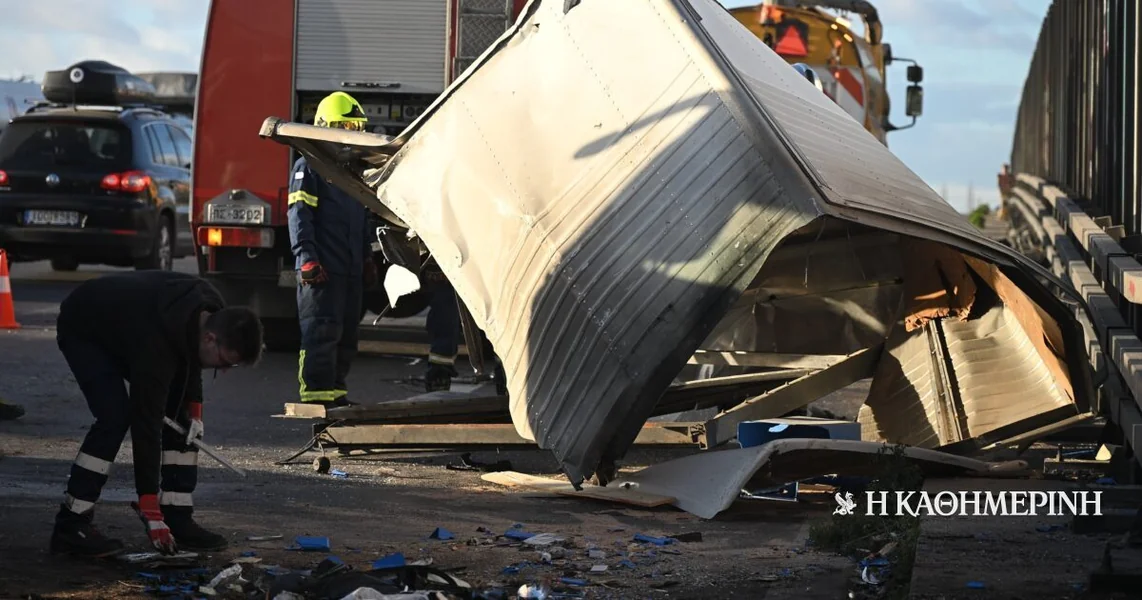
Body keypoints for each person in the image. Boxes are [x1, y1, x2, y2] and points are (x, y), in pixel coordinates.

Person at [50, 271, 263, 557]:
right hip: (86, 327)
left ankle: (177, 516)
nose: (223, 370)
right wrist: (149, 506)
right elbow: (146, 424)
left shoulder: (209, 309)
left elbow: (191, 360)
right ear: (211, 338)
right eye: (225, 362)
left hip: (133, 325)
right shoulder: (157, 345)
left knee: (182, 423)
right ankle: (71, 524)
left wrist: (195, 411)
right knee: (115, 416)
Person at [288, 91, 376, 407]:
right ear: (325, 127)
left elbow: (362, 218)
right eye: (345, 126)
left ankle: (335, 395)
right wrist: (306, 258)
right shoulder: (308, 168)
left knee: (347, 335)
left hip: (349, 270)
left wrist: (366, 256)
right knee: (320, 333)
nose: (351, 135)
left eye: (356, 127)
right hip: (321, 270)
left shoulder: (351, 173)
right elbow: (299, 216)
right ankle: (316, 399)